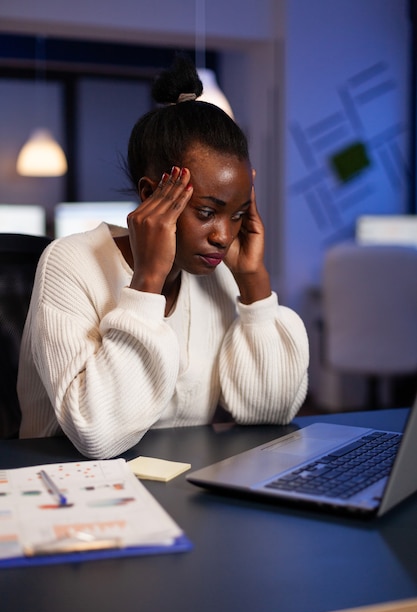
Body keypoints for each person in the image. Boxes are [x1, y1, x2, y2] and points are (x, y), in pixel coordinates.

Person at [18, 55, 309, 459]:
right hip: (74, 494)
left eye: (238, 214)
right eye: (207, 212)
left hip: (183, 489)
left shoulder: (219, 273)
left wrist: (253, 281)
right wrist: (147, 282)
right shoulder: (70, 263)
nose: (224, 236)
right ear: (151, 194)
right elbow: (97, 435)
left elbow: (269, 411)